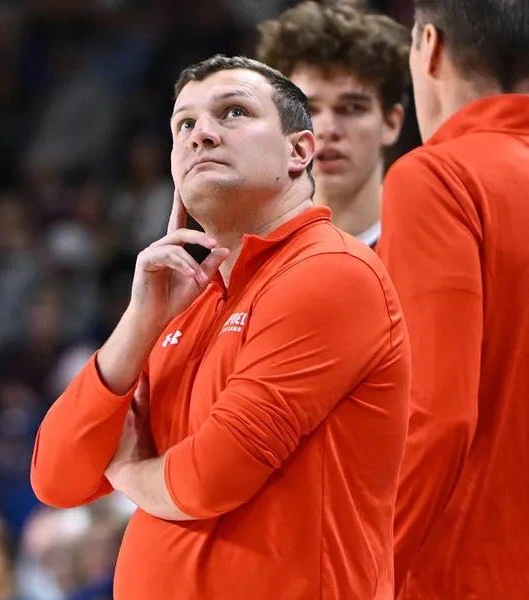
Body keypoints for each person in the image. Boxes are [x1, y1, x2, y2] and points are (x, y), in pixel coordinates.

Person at [30, 54, 411, 599]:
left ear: (299, 151)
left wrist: (128, 470)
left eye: (233, 112)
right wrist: (140, 323)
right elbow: (57, 477)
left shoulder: (331, 272)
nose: (201, 134)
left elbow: (211, 479)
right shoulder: (181, 299)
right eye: (183, 124)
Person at [376, 0, 529, 597]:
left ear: (430, 46)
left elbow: (435, 418)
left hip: (468, 573)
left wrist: (367, 576)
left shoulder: (439, 178)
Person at [256, 0, 410, 248]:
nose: (328, 129)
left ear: (391, 123)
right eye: (307, 110)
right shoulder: (245, 254)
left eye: (352, 108)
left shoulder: (430, 242)